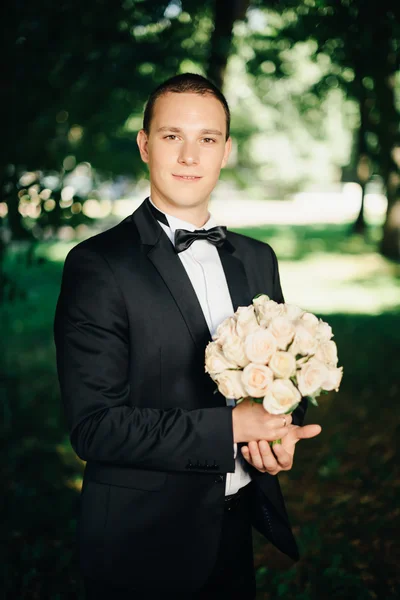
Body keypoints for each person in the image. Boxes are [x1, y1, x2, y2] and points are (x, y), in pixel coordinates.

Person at [54, 73, 321, 600]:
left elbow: (285, 373)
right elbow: (95, 428)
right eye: (173, 136)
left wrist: (280, 429)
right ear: (145, 144)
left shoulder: (257, 258)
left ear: (226, 152)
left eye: (207, 139)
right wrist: (230, 428)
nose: (189, 156)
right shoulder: (97, 266)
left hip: (234, 526)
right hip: (141, 541)